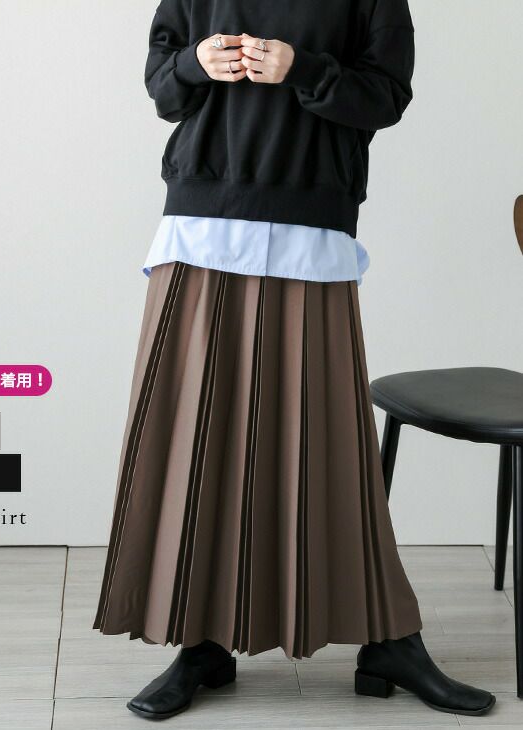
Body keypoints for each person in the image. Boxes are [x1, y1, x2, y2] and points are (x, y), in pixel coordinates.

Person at [93, 0, 496, 721]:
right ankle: (200, 643)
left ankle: (388, 639)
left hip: (312, 218)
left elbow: (386, 97)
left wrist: (303, 69)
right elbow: (161, 83)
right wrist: (194, 63)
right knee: (195, 442)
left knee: (327, 445)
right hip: (203, 217)